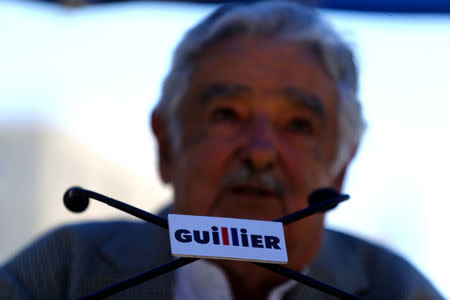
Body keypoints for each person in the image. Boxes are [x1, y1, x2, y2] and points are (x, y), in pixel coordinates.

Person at [0, 1, 444, 299]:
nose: (260, 152)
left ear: (341, 167)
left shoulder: (398, 290)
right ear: (167, 145)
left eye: (298, 125)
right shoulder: (61, 274)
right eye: (227, 114)